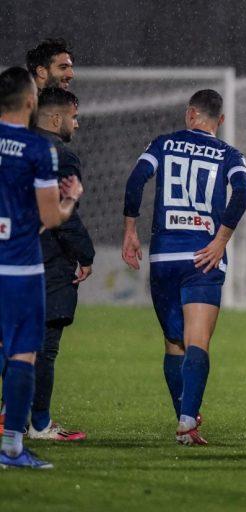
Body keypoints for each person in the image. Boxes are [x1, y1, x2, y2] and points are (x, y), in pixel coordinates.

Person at [122, 89, 246, 445]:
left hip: (164, 257)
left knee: (173, 343)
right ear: (220, 120)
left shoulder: (162, 144)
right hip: (202, 256)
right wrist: (221, 239)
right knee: (198, 341)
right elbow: (242, 191)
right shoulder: (229, 154)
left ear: (190, 114)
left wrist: (130, 230)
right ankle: (187, 423)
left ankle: (184, 413)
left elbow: (135, 180)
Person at [0, 67, 83, 469]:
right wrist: (71, 199)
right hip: (19, 268)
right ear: (31, 101)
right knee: (22, 355)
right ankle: (12, 448)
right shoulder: (37, 149)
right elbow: (51, 218)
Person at [25, 87, 93, 442]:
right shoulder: (60, 156)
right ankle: (39, 424)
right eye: (73, 117)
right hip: (47, 262)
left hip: (12, 256)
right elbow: (64, 218)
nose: (76, 124)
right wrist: (86, 254)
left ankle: (12, 418)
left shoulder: (14, 147)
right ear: (55, 118)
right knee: (45, 348)